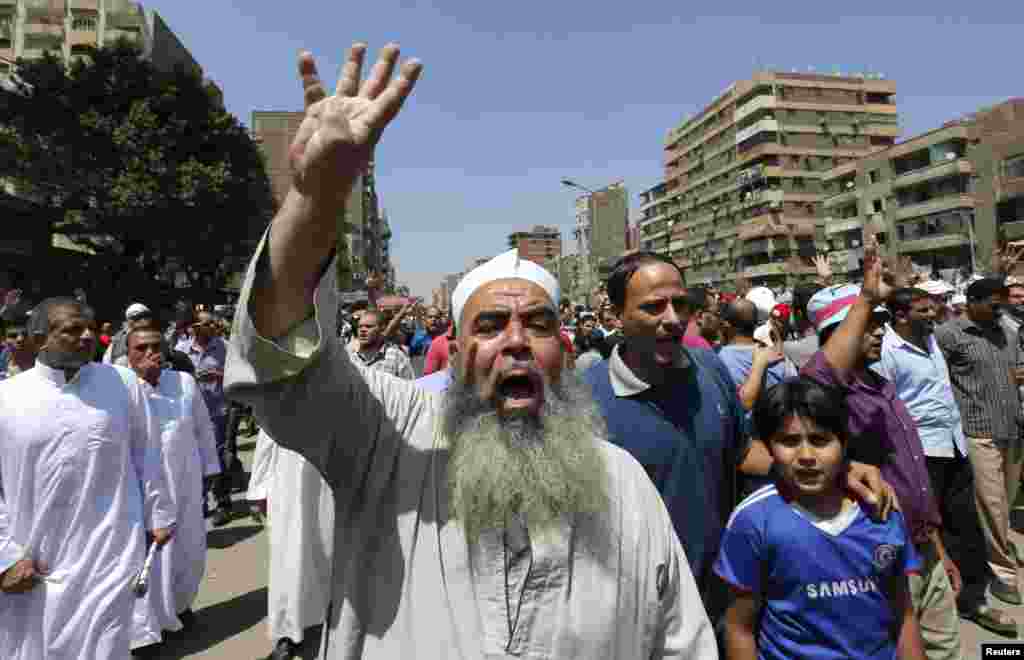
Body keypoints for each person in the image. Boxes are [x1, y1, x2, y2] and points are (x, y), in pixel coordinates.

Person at [224, 43, 716, 659]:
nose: (515, 341)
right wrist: (319, 198)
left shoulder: (623, 484)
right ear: (453, 354)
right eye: (490, 325)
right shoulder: (386, 438)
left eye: (536, 323)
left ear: (563, 350)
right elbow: (283, 354)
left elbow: (681, 643)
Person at [581, 250, 892, 636]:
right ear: (615, 315)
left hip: (720, 596)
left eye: (680, 304)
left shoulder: (708, 368)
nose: (673, 318)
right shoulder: (583, 401)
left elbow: (742, 452)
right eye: (653, 307)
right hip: (637, 612)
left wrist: (833, 471)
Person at [800, 239, 965, 658]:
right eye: (866, 324)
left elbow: (912, 474)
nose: (878, 332)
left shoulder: (882, 384)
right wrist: (865, 298)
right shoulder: (826, 397)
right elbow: (817, 378)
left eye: (880, 322)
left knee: (946, 647)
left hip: (923, 544)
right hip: (883, 553)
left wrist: (937, 546)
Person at [0, 297, 174, 660]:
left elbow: (148, 453)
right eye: (72, 330)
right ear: (38, 338)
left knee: (109, 645)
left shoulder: (122, 383)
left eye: (90, 329)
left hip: (111, 551)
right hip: (38, 562)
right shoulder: (7, 398)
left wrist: (160, 514)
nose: (87, 336)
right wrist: (5, 558)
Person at [717, 378, 927, 660]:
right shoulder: (753, 522)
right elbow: (739, 627)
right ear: (768, 447)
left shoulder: (881, 511)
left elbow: (904, 612)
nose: (806, 455)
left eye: (820, 440)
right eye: (789, 441)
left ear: (843, 443)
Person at [877, 287, 1014, 637]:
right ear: (902, 315)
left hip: (953, 445)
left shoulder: (933, 339)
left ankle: (973, 598)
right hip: (920, 452)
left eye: (933, 307)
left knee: (966, 524)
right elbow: (886, 405)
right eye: (923, 309)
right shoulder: (888, 351)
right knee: (925, 531)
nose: (933, 313)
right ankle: (927, 609)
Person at [124, 324, 222, 651]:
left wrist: (210, 469)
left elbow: (203, 430)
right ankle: (146, 625)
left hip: (186, 481)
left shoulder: (183, 383)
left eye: (156, 346)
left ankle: (180, 605)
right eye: (141, 348)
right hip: (143, 489)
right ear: (128, 355)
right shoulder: (122, 390)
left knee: (189, 548)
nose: (151, 353)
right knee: (148, 555)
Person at [935, 278, 1024, 608]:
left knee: (1005, 499)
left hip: (1012, 430)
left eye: (1003, 304)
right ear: (972, 301)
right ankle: (1003, 576)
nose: (1000, 311)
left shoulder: (1007, 331)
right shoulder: (948, 335)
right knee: (993, 505)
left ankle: (993, 551)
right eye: (993, 304)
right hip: (977, 431)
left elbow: (1016, 370)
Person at [350, 309, 416, 379]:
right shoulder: (352, 358)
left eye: (368, 326)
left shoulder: (396, 357)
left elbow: (409, 385)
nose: (362, 330)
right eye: (360, 326)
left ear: (382, 328)